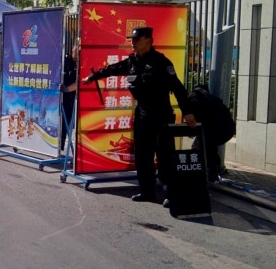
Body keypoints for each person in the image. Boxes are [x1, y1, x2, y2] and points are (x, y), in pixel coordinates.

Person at [82, 27, 196, 202]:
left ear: (148, 40)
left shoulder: (161, 62)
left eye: (137, 39)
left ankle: (171, 195)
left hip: (162, 116)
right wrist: (93, 77)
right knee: (143, 156)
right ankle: (147, 192)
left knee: (165, 156)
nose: (133, 43)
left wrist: (187, 111)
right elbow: (113, 69)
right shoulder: (132, 61)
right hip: (142, 116)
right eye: (132, 40)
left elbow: (178, 88)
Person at [60, 45, 78, 152]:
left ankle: (72, 150)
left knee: (71, 124)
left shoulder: (82, 63)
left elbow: (78, 82)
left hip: (73, 97)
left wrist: (68, 89)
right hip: (64, 96)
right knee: (62, 122)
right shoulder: (65, 60)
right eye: (76, 50)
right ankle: (60, 146)